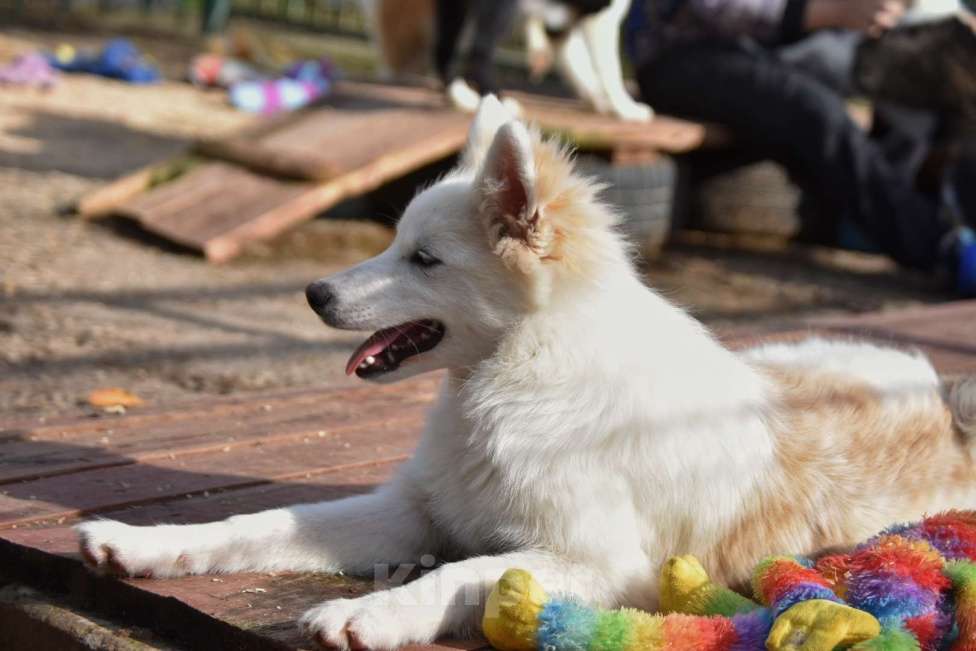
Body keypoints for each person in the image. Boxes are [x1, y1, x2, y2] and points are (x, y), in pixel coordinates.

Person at [625, 0, 976, 295]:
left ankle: (892, 215)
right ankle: (941, 248)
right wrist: (824, 12)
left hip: (792, 48)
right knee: (816, 111)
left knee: (943, 69)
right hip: (682, 53)